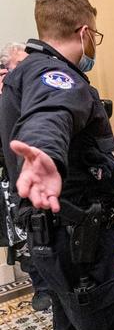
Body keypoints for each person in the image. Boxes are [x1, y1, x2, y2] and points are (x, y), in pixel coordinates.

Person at [0, 0, 114, 330]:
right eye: (95, 34)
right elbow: (51, 113)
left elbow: (70, 134)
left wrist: (111, 147)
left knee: (72, 328)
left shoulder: (26, 70)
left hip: (56, 236)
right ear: (85, 33)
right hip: (81, 241)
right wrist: (44, 152)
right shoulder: (57, 75)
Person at [0, 42, 52, 312]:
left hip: (39, 180)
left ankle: (51, 286)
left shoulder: (37, 95)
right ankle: (40, 287)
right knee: (23, 241)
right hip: (10, 183)